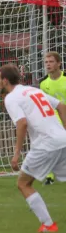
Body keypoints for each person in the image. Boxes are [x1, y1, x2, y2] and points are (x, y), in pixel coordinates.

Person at [0, 63, 66, 232]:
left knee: (23, 183)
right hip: (62, 140)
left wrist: (16, 153)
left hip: (45, 145)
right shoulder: (33, 90)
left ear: (5, 81)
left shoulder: (11, 98)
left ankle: (48, 225)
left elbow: (22, 123)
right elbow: (62, 106)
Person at [38, 51, 66, 185]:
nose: (48, 65)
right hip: (55, 117)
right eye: (46, 62)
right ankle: (50, 176)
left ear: (59, 63)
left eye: (51, 62)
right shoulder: (43, 83)